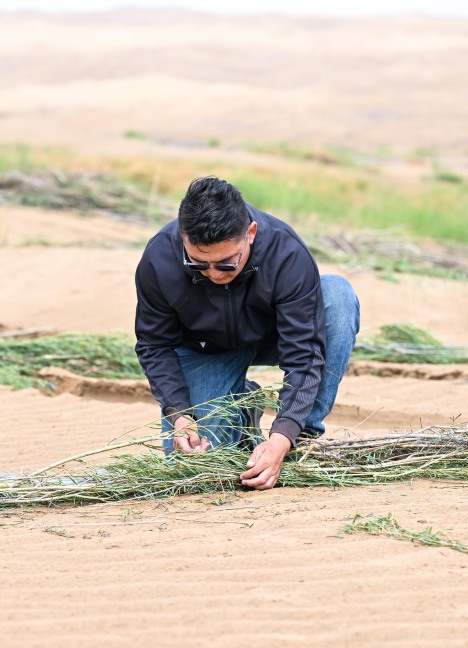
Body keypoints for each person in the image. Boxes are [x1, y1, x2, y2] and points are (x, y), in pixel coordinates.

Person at [134, 176, 360, 490]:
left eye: (226, 264)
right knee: (195, 468)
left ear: (250, 234)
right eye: (198, 264)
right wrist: (180, 415)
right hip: (205, 349)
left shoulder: (287, 254)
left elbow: (305, 355)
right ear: (182, 236)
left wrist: (283, 437)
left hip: (273, 334)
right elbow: (154, 345)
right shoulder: (158, 259)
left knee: (338, 296)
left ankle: (302, 439)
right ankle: (244, 408)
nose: (213, 275)